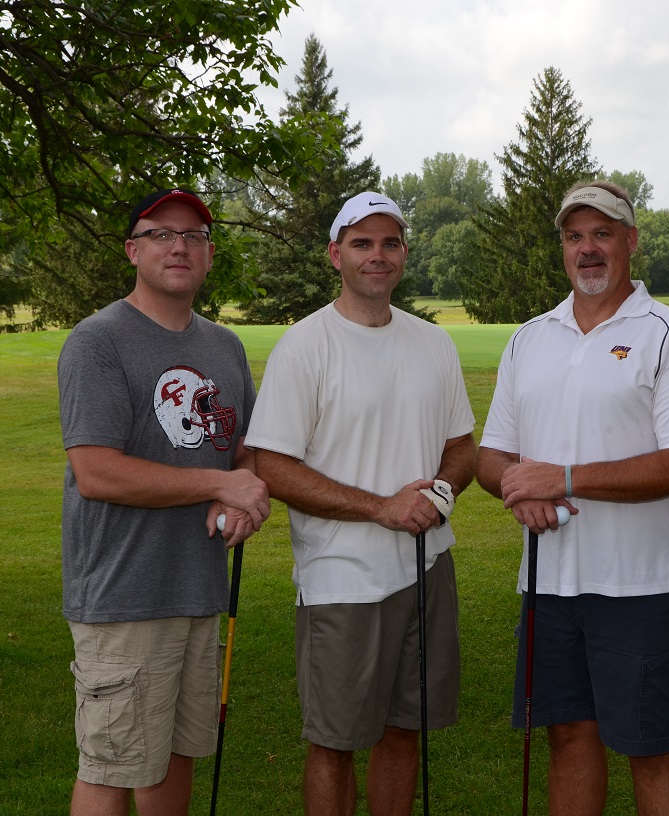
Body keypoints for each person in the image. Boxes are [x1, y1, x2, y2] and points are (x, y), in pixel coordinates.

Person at [476, 180, 669, 816]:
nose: (588, 249)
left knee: (650, 745)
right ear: (562, 248)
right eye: (575, 236)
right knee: (568, 734)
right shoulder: (530, 337)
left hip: (639, 585)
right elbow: (492, 453)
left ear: (631, 241)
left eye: (602, 233)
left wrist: (561, 478)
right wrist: (515, 486)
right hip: (548, 584)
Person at [245, 191, 477, 816]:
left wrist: (440, 493)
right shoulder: (305, 345)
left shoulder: (434, 344)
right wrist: (383, 508)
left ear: (403, 252)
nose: (379, 256)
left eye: (390, 243)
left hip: (427, 566)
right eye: (362, 244)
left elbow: (462, 444)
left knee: (405, 730)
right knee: (336, 741)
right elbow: (272, 465)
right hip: (342, 579)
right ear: (335, 255)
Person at [58, 188, 271, 815]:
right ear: (132, 250)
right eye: (160, 233)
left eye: (195, 236)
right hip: (125, 597)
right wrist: (216, 484)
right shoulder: (98, 341)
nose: (179, 246)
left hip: (197, 591)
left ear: (208, 256)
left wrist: (242, 491)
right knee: (112, 764)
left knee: (175, 758)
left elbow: (243, 451)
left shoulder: (224, 347)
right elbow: (96, 471)